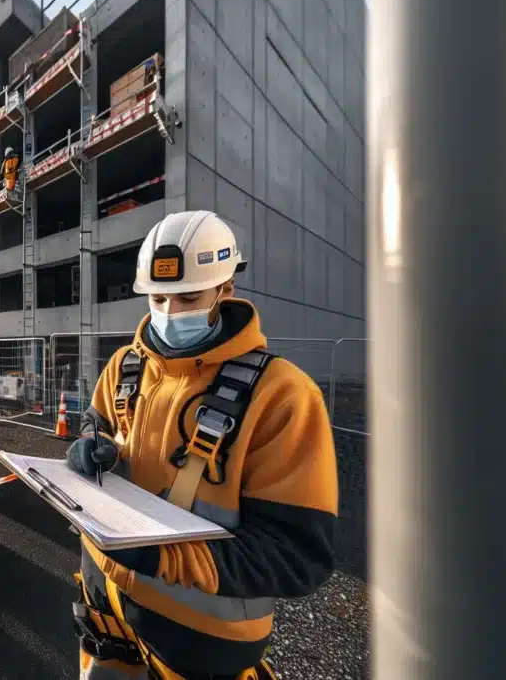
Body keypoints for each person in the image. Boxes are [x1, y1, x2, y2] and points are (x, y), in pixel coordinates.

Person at [64, 211, 337, 679]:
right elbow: (97, 420)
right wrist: (92, 442)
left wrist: (158, 557)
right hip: (105, 610)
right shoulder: (125, 366)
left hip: (200, 644)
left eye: (188, 296)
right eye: (157, 298)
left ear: (225, 290)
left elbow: (296, 556)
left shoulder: (282, 396)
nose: (169, 312)